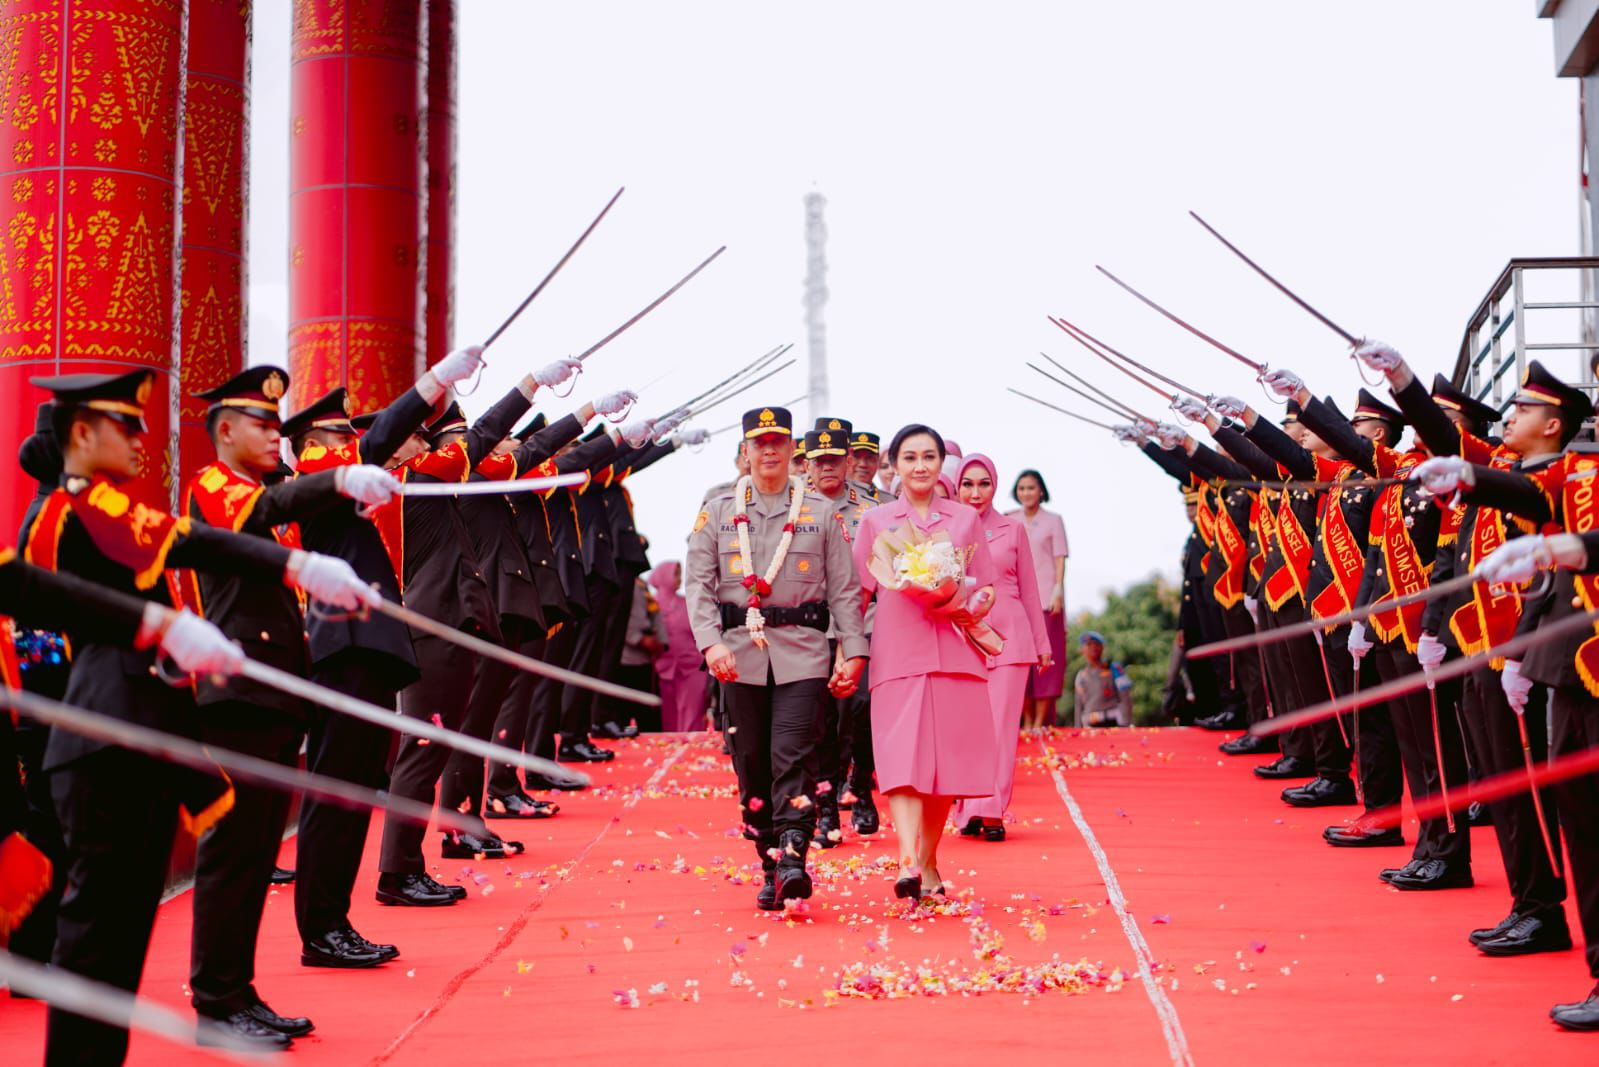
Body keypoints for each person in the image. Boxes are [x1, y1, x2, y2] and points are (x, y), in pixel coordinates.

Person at [24, 368, 376, 1061]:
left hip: (146, 736)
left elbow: (194, 541)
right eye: (125, 425)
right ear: (82, 433)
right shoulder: (65, 514)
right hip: (100, 740)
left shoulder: (114, 512)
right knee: (94, 942)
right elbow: (46, 631)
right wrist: (156, 624)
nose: (139, 440)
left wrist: (296, 568)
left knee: (119, 950)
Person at [182, 365, 401, 1045]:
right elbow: (268, 510)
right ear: (224, 430)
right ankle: (217, 997)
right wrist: (336, 477)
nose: (276, 435)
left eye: (280, 424)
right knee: (233, 856)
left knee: (251, 860)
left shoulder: (265, 491)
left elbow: (283, 502)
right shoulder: (217, 487)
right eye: (264, 423)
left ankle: (238, 990)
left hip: (276, 694)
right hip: (239, 696)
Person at [684, 406, 867, 911]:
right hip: (736, 656)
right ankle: (768, 862)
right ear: (745, 451)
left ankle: (792, 860)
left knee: (793, 757)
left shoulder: (820, 512)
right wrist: (710, 641)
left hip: (803, 656)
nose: (768, 451)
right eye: (759, 443)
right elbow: (696, 583)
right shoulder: (718, 508)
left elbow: (845, 591)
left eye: (777, 443)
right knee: (751, 766)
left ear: (792, 451)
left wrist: (853, 650)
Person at [852, 424, 998, 902]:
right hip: (898, 651)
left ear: (941, 465)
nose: (920, 466)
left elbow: (987, 585)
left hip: (955, 650)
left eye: (929, 457)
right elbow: (857, 593)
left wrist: (961, 603)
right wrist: (847, 651)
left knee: (945, 765)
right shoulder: (877, 522)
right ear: (894, 465)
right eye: (910, 457)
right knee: (901, 758)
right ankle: (907, 860)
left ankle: (930, 859)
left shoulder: (963, 519)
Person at [951, 454, 1050, 842]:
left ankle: (991, 810)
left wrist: (1041, 644)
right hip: (959, 637)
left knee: (1001, 730)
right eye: (968, 484)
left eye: (984, 484)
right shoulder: (945, 529)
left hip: (1009, 639)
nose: (975, 493)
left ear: (994, 486)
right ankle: (966, 808)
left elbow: (1029, 588)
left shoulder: (1012, 529)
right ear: (957, 487)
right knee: (965, 730)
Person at [1009, 470, 1068, 731]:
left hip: (1046, 597)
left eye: (1031, 488)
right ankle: (1027, 720)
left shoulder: (1053, 521)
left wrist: (1058, 589)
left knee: (1048, 660)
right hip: (1017, 598)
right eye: (1021, 488)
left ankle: (1041, 721)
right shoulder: (1009, 519)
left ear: (1041, 491)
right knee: (1021, 660)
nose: (1026, 493)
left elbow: (1059, 557)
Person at [649, 560, 710, 731]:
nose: (679, 579)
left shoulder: (687, 603)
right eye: (675, 574)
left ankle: (693, 751)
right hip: (663, 668)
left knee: (692, 713)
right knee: (669, 716)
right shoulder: (651, 604)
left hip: (692, 667)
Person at [1073, 631, 1132, 727]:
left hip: (1114, 722)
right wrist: (1078, 729)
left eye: (1096, 644)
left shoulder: (1115, 669)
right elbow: (1078, 707)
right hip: (1090, 725)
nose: (1093, 647)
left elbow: (1125, 697)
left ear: (1102, 647)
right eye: (1088, 645)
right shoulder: (1080, 676)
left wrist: (1126, 724)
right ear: (1082, 649)